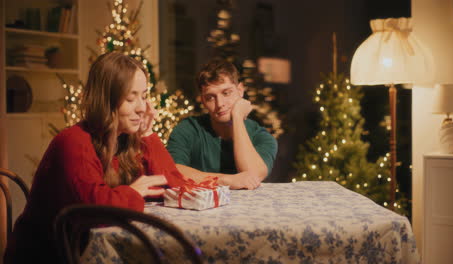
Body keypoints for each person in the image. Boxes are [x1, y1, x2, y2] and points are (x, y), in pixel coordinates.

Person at [4, 52, 189, 263]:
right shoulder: (73, 142)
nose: (141, 107)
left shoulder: (127, 140)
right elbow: (97, 210)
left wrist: (148, 135)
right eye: (130, 98)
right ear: (106, 102)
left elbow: (176, 186)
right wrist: (133, 192)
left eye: (144, 96)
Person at [166, 59, 278, 190]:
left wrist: (237, 117)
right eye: (210, 97)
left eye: (226, 93)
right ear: (202, 100)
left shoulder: (260, 136)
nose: (220, 104)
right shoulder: (188, 129)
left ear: (240, 90)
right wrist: (225, 180)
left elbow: (251, 176)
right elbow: (173, 172)